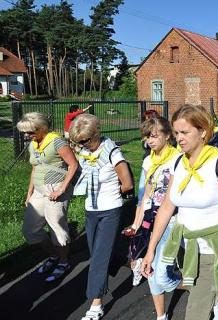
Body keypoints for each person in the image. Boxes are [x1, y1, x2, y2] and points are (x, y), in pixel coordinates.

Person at [141, 104, 218, 320]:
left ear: (203, 132)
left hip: (212, 251)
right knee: (206, 304)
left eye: (185, 132)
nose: (179, 138)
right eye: (176, 133)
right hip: (185, 250)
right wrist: (150, 251)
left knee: (195, 313)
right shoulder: (178, 162)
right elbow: (167, 207)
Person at [69, 114, 134, 320]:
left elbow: (128, 184)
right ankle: (134, 264)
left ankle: (96, 304)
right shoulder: (83, 152)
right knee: (97, 251)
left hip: (110, 210)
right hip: (91, 210)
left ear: (96, 134)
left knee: (98, 258)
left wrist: (112, 196)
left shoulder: (112, 151)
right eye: (78, 141)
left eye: (85, 140)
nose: (82, 145)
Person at [122, 117, 181, 319]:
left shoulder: (179, 158)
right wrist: (136, 224)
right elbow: (145, 195)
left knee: (161, 273)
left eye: (154, 136)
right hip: (151, 218)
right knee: (151, 270)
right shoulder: (149, 161)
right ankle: (161, 315)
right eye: (147, 136)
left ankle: (194, 284)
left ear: (167, 135)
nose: (150, 140)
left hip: (173, 219)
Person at [17, 112, 78, 282]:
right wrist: (29, 193)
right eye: (24, 133)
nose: (27, 136)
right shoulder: (33, 145)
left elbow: (73, 164)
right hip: (38, 190)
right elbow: (35, 168)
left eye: (30, 132)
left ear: (42, 128)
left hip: (55, 190)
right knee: (30, 230)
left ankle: (64, 262)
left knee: (57, 228)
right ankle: (53, 255)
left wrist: (61, 189)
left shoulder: (56, 141)